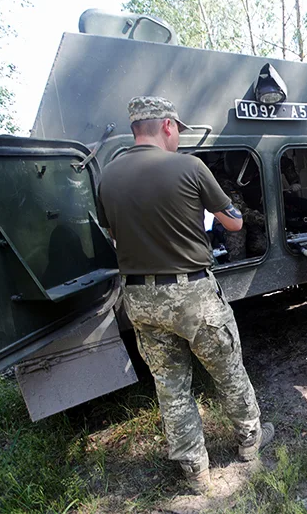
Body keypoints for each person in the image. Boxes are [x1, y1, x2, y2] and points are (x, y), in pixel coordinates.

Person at [97, 96, 273, 493]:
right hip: (192, 295)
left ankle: (196, 472)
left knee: (171, 387)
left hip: (140, 299)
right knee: (228, 372)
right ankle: (250, 443)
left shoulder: (108, 176)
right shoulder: (190, 166)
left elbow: (112, 234)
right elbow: (233, 221)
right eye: (178, 129)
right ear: (167, 126)